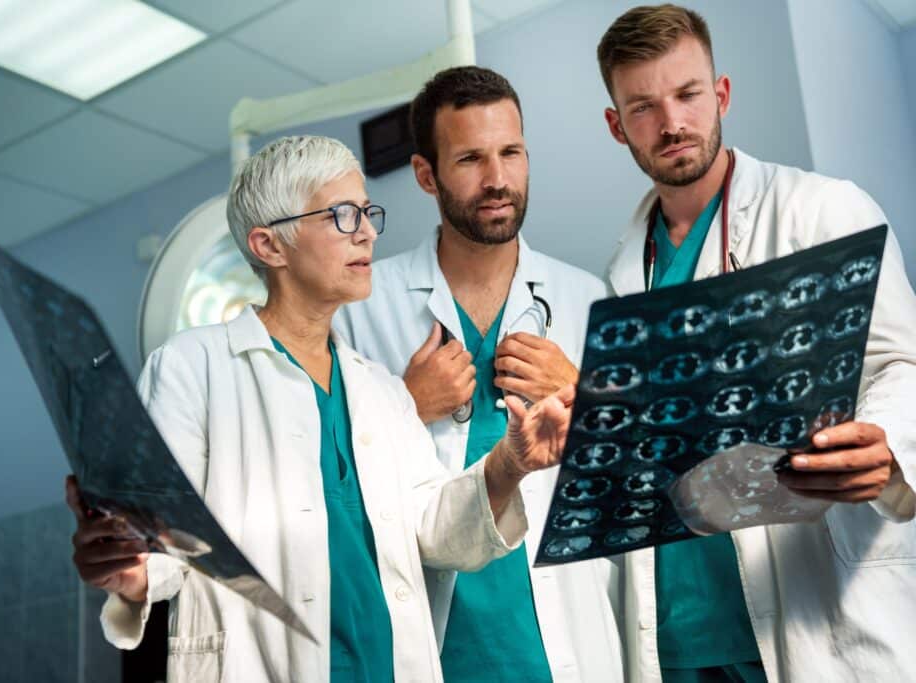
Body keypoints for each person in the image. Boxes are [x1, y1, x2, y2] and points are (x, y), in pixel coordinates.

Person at [65, 135, 576, 683]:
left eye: (366, 212)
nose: (369, 231)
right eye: (341, 215)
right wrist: (131, 569)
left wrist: (510, 463)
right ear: (270, 246)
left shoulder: (379, 390)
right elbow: (163, 543)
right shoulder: (192, 367)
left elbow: (435, 531)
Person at [596, 5, 916, 682]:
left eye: (687, 94)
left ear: (722, 94)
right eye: (644, 107)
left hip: (809, 604)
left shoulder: (823, 211)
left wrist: (885, 438)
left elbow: (901, 363)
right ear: (616, 125)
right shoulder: (620, 274)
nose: (672, 122)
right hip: (679, 635)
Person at [335, 66, 623, 682]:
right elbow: (328, 494)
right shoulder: (363, 308)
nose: (498, 181)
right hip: (435, 650)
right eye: (469, 159)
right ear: (425, 175)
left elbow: (634, 482)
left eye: (511, 153)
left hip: (563, 648)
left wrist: (588, 397)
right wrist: (401, 408)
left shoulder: (587, 300)